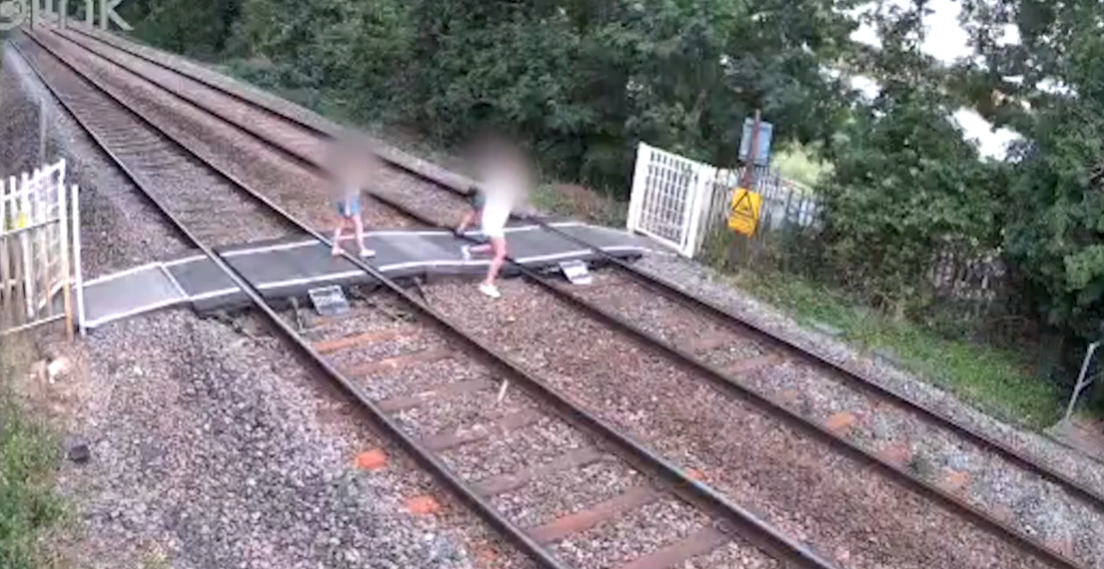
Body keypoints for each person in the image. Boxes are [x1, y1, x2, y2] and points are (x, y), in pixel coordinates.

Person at [460, 136, 531, 299]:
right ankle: (487, 284)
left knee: (493, 248)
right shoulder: (509, 185)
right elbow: (522, 195)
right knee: (500, 254)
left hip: (490, 220)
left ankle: (469, 250)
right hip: (493, 224)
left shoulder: (497, 181)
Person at [326, 133, 375, 258]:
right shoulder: (353, 174)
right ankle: (362, 249)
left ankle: (335, 248)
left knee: (340, 225)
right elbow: (349, 190)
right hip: (350, 201)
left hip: (342, 200)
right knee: (358, 225)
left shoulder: (347, 172)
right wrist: (348, 207)